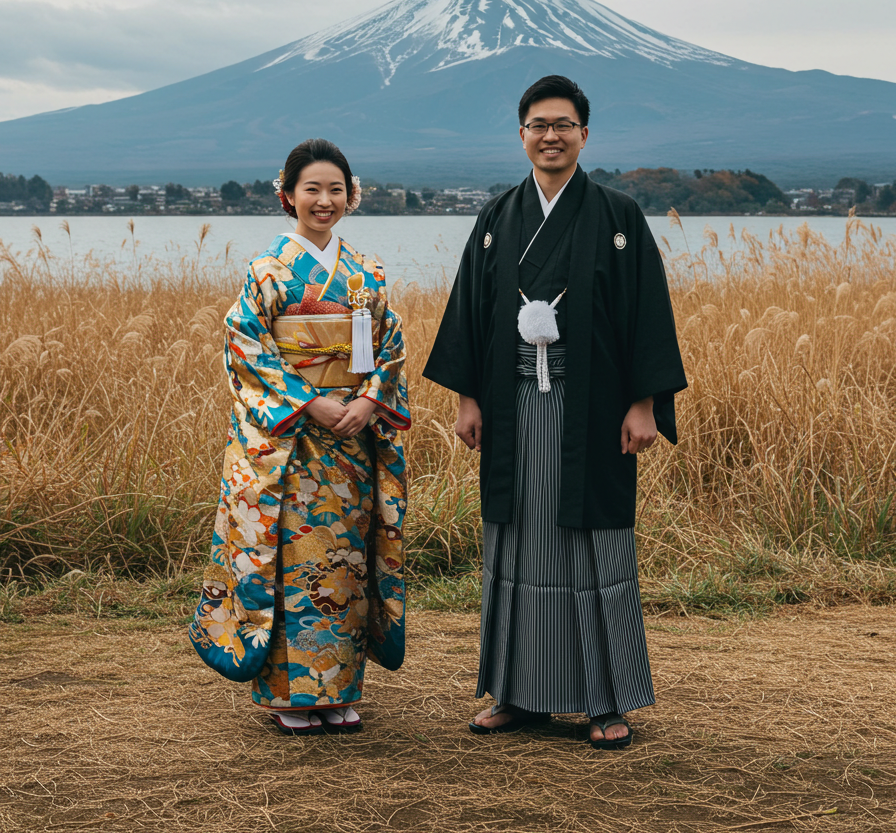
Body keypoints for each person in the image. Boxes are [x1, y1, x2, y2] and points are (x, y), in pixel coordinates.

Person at [423, 75, 686, 749]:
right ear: (521, 135)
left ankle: (605, 700)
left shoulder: (619, 215)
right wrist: (468, 397)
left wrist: (644, 403)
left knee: (594, 547)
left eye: (563, 124)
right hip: (513, 408)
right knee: (518, 547)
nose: (550, 136)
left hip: (593, 410)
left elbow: (647, 315)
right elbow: (471, 317)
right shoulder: (496, 219)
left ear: (584, 135)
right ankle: (520, 694)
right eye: (538, 125)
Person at [189, 138, 410, 736]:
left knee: (344, 561)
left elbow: (390, 347)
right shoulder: (267, 272)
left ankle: (338, 690)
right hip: (293, 441)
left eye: (336, 189)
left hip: (351, 440)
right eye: (311, 188)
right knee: (291, 558)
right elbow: (245, 347)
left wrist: (368, 400)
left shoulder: (367, 275)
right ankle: (290, 694)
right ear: (287, 196)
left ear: (351, 196)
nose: (324, 200)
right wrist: (309, 399)